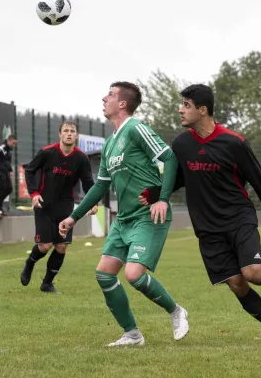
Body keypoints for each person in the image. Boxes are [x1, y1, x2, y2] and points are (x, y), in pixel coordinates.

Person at [139, 83, 261, 346]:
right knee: (238, 284)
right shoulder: (181, 143)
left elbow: (257, 178)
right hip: (207, 227)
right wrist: (156, 193)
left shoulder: (234, 143)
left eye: (186, 105)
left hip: (238, 217)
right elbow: (180, 177)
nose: (180, 110)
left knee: (251, 272)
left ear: (203, 110)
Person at [58, 82, 189, 346]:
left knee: (133, 275)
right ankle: (132, 334)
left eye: (110, 94)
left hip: (147, 216)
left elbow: (170, 159)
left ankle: (176, 311)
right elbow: (100, 186)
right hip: (124, 220)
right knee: (104, 274)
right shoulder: (109, 145)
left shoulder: (135, 128)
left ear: (122, 104)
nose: (103, 97)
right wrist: (74, 217)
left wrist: (162, 199)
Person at [20, 121, 97, 293]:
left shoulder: (81, 158)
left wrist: (93, 202)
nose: (69, 134)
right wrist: (34, 194)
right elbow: (30, 170)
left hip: (66, 206)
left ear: (76, 136)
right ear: (60, 134)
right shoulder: (47, 152)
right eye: (66, 131)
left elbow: (88, 183)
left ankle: (47, 283)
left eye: (72, 131)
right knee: (45, 246)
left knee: (62, 246)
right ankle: (30, 262)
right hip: (44, 205)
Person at [0, 134, 18, 215]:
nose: (14, 145)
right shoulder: (1, 148)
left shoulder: (9, 150)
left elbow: (7, 162)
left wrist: (11, 170)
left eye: (15, 144)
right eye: (13, 143)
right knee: (2, 190)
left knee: (9, 189)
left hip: (6, 173)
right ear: (9, 141)